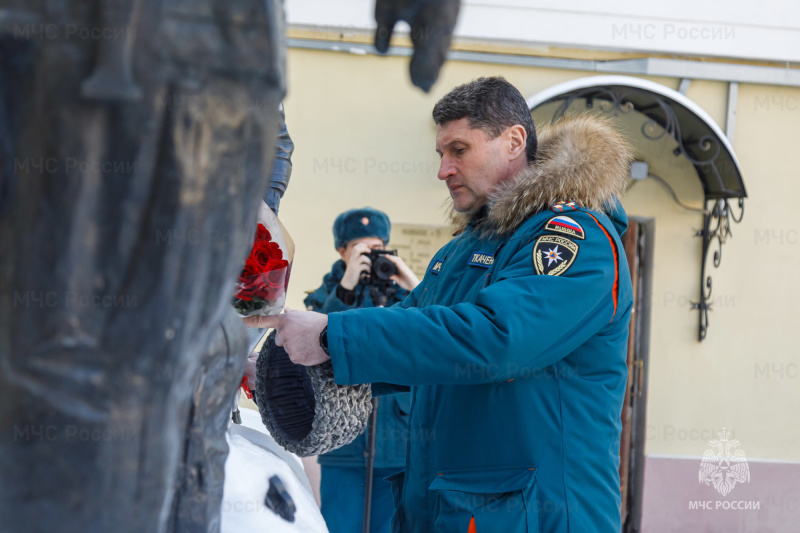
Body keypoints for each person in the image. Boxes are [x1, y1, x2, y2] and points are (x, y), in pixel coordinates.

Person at [247, 76, 634, 532]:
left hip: (535, 516)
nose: (443, 169)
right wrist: (284, 366)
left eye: (459, 150)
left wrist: (333, 335)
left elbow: (495, 340)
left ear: (513, 141)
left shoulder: (575, 238)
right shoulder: (467, 247)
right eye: (441, 153)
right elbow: (413, 334)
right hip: (453, 510)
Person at [304, 207, 419, 533]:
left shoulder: (404, 296)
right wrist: (348, 284)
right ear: (342, 251)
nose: (371, 256)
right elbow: (318, 340)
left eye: (377, 247)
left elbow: (436, 327)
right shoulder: (328, 295)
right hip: (343, 445)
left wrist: (412, 283)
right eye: (360, 249)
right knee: (342, 525)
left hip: (397, 444)